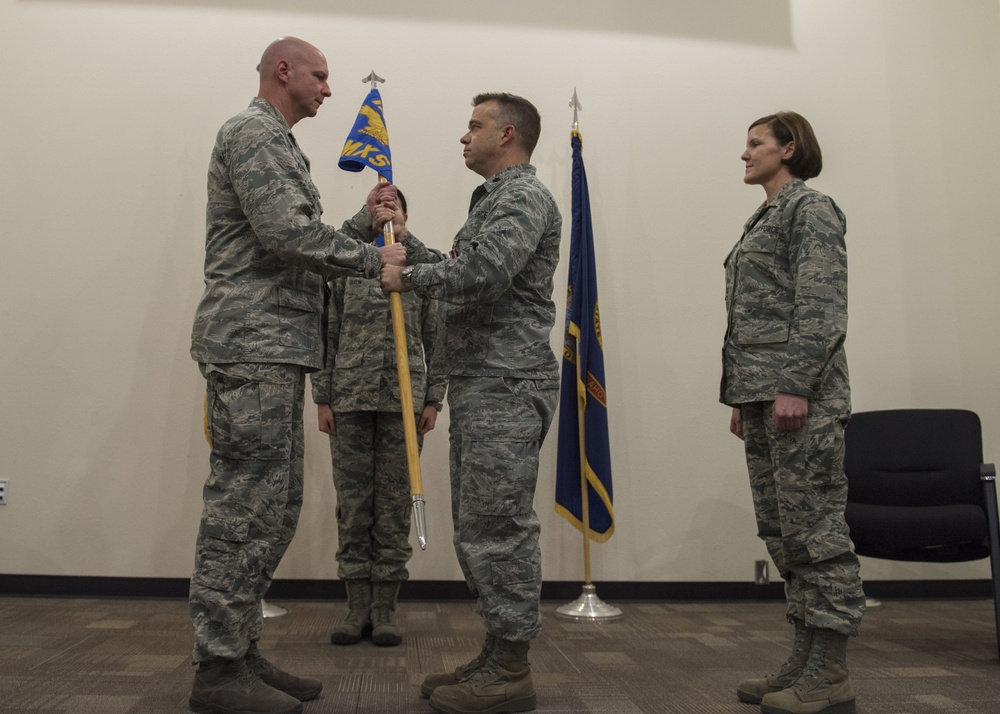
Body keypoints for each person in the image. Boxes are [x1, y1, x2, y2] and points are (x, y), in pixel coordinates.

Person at [188, 37, 405, 714]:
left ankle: (240, 650)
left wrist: (365, 230)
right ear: (283, 71)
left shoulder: (279, 143)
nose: (328, 89)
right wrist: (374, 260)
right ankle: (218, 669)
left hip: (277, 347)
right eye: (320, 75)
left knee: (274, 506)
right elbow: (287, 233)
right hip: (251, 345)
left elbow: (295, 235)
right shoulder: (253, 133)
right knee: (243, 505)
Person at [380, 93, 561, 714]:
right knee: (481, 523)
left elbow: (485, 274)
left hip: (508, 384)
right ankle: (498, 651)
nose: (464, 136)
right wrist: (413, 247)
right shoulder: (495, 198)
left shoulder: (521, 197)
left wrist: (409, 275)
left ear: (507, 134)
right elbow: (465, 266)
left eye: (475, 125)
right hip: (487, 382)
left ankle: (512, 669)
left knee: (500, 526)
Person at [721, 111, 865, 714]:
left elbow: (821, 305)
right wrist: (743, 396)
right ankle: (804, 656)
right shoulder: (765, 216)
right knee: (783, 532)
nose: (744, 153)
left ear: (791, 147)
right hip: (764, 396)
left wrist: (796, 386)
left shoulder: (811, 208)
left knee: (815, 530)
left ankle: (830, 670)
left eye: (756, 143)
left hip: (799, 397)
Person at [312, 189, 447, 648]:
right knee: (353, 508)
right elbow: (327, 332)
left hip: (402, 406)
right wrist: (323, 397)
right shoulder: (347, 264)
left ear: (407, 215)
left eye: (394, 209)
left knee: (391, 509)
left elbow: (437, 335)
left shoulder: (419, 266)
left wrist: (433, 399)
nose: (385, 215)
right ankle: (355, 609)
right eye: (379, 209)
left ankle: (385, 609)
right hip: (348, 402)